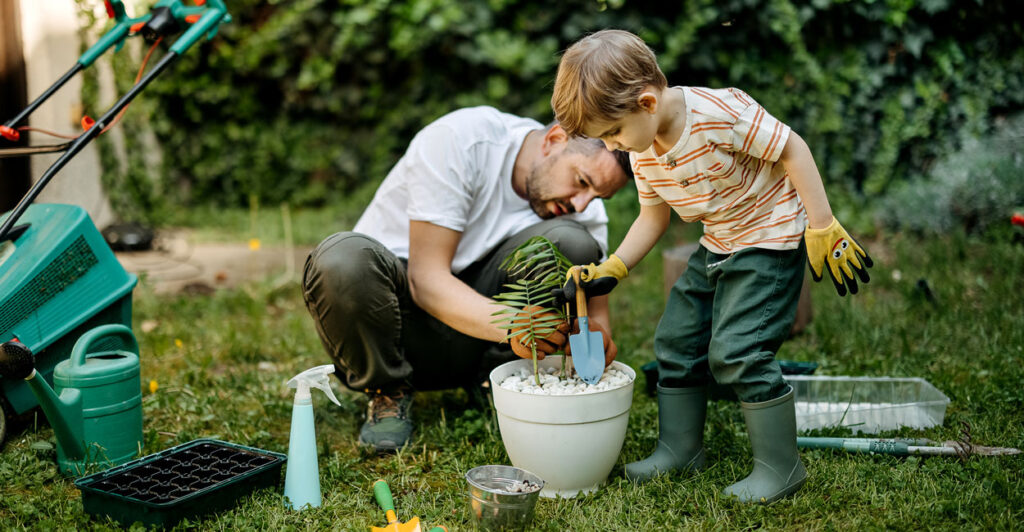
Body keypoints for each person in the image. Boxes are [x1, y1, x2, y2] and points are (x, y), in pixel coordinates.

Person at [550, 30, 872, 504]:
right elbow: (653, 214)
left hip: (769, 240)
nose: (614, 146)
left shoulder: (719, 114)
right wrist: (614, 267)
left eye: (613, 133)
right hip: (719, 241)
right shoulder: (642, 150)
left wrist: (821, 225)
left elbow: (792, 149)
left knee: (739, 350)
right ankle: (680, 449)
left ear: (645, 102)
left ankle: (781, 469)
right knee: (676, 340)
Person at [302, 106, 633, 452]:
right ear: (554, 140)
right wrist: (515, 325)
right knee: (341, 260)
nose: (583, 204)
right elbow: (425, 281)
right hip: (398, 327)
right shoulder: (462, 141)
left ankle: (496, 381)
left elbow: (594, 313)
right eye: (582, 182)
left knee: (575, 242)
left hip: (480, 345)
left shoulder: (582, 208)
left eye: (598, 196)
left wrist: (595, 338)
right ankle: (387, 392)